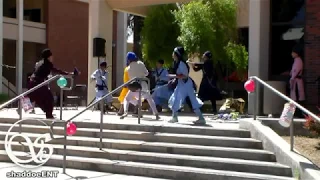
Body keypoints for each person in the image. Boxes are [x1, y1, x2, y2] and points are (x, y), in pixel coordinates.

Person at [27, 49, 72, 119]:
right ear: (48, 57)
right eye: (51, 56)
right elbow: (57, 70)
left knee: (41, 98)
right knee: (49, 98)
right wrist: (68, 73)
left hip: (32, 83)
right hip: (37, 83)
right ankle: (49, 115)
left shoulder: (41, 63)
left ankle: (47, 113)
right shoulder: (47, 64)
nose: (52, 58)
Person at [168, 47, 205, 124]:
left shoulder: (181, 64)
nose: (172, 55)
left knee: (192, 100)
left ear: (177, 54)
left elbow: (185, 76)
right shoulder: (176, 63)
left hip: (186, 84)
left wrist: (174, 76)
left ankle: (201, 118)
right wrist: (174, 78)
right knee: (175, 98)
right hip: (181, 84)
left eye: (173, 53)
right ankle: (174, 117)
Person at [120, 52, 160, 120]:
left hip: (134, 86)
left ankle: (126, 112)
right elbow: (146, 73)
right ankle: (156, 114)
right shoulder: (141, 63)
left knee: (126, 99)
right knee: (149, 99)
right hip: (143, 85)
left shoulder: (128, 68)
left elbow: (131, 77)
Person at [290, 46, 305, 118]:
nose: (291, 54)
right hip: (296, 81)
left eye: (293, 52)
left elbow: (295, 72)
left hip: (296, 82)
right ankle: (297, 113)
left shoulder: (298, 61)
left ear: (296, 53)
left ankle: (299, 113)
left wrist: (292, 79)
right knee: (296, 97)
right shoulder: (297, 60)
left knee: (297, 97)